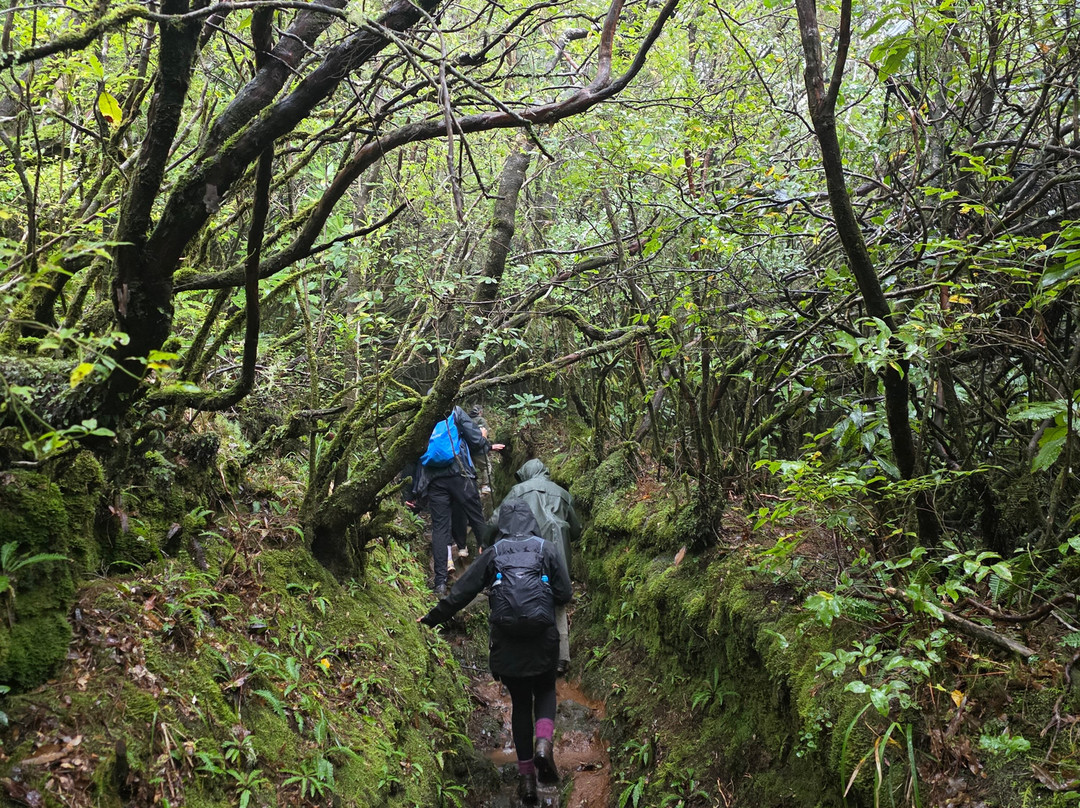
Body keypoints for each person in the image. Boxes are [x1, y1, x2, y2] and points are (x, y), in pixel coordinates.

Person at [418, 499, 572, 805]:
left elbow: (462, 593)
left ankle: (526, 780)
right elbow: (565, 593)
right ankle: (544, 743)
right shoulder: (546, 549)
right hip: (542, 640)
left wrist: (432, 618)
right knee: (544, 690)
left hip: (507, 645)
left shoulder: (494, 553)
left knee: (519, 703)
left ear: (501, 525)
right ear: (531, 522)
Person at [500, 458, 582, 675]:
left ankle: (532, 655)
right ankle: (561, 659)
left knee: (528, 598)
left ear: (526, 473)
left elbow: (498, 519)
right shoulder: (563, 494)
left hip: (529, 557)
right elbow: (576, 530)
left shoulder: (517, 491)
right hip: (560, 558)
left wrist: (486, 541)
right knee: (558, 603)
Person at [415, 402, 503, 596]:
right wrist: (486, 444)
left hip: (435, 478)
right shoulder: (455, 412)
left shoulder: (422, 417)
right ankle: (492, 578)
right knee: (477, 520)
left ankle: (439, 583)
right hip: (460, 473)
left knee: (439, 528)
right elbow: (474, 438)